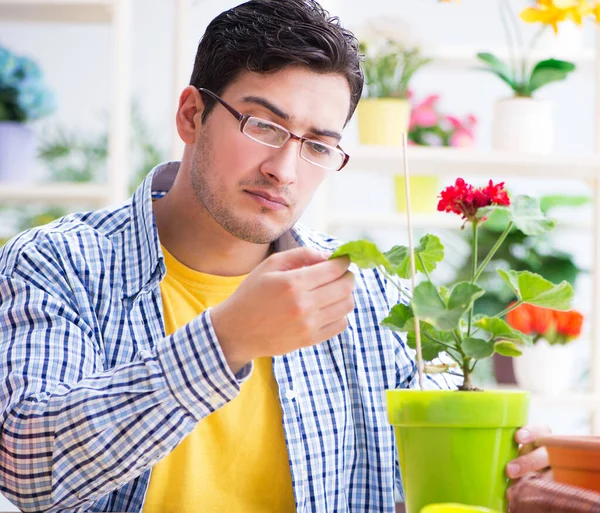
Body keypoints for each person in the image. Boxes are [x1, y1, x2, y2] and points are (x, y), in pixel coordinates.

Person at [0, 1, 549, 512]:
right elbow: (27, 469)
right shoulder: (58, 263)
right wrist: (226, 340)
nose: (284, 171)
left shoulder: (370, 292)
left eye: (316, 145)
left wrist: (509, 477)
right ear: (192, 115)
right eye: (263, 126)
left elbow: (421, 487)